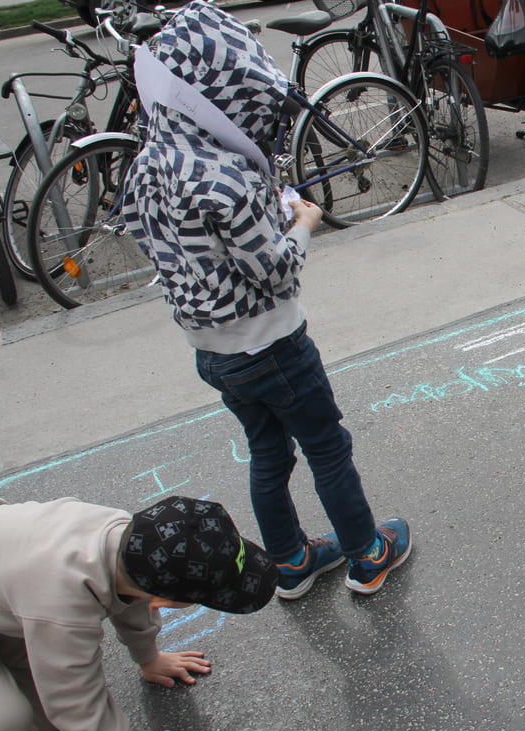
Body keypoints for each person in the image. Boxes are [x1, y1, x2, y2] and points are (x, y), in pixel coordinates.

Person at [122, 2, 412, 600]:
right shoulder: (227, 175)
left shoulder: (149, 163)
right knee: (327, 444)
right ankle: (366, 553)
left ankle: (289, 562)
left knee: (266, 451)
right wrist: (302, 223)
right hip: (272, 344)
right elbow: (276, 271)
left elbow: (166, 239)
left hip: (212, 353)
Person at [0, 495, 278, 731]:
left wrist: (149, 659)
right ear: (163, 602)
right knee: (2, 723)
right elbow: (73, 704)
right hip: (8, 595)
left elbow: (132, 597)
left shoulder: (137, 540)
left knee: (42, 718)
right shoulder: (62, 605)